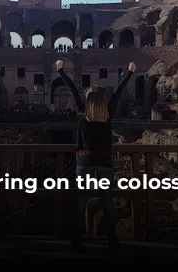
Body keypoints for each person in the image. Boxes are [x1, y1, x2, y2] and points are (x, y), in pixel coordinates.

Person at [56, 60, 136, 250]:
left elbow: (74, 90)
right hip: (104, 162)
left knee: (81, 200)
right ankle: (112, 238)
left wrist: (60, 71)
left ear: (89, 100)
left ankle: (76, 239)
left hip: (84, 161)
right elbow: (117, 91)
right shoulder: (108, 114)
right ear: (102, 100)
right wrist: (130, 72)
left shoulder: (82, 115)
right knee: (108, 200)